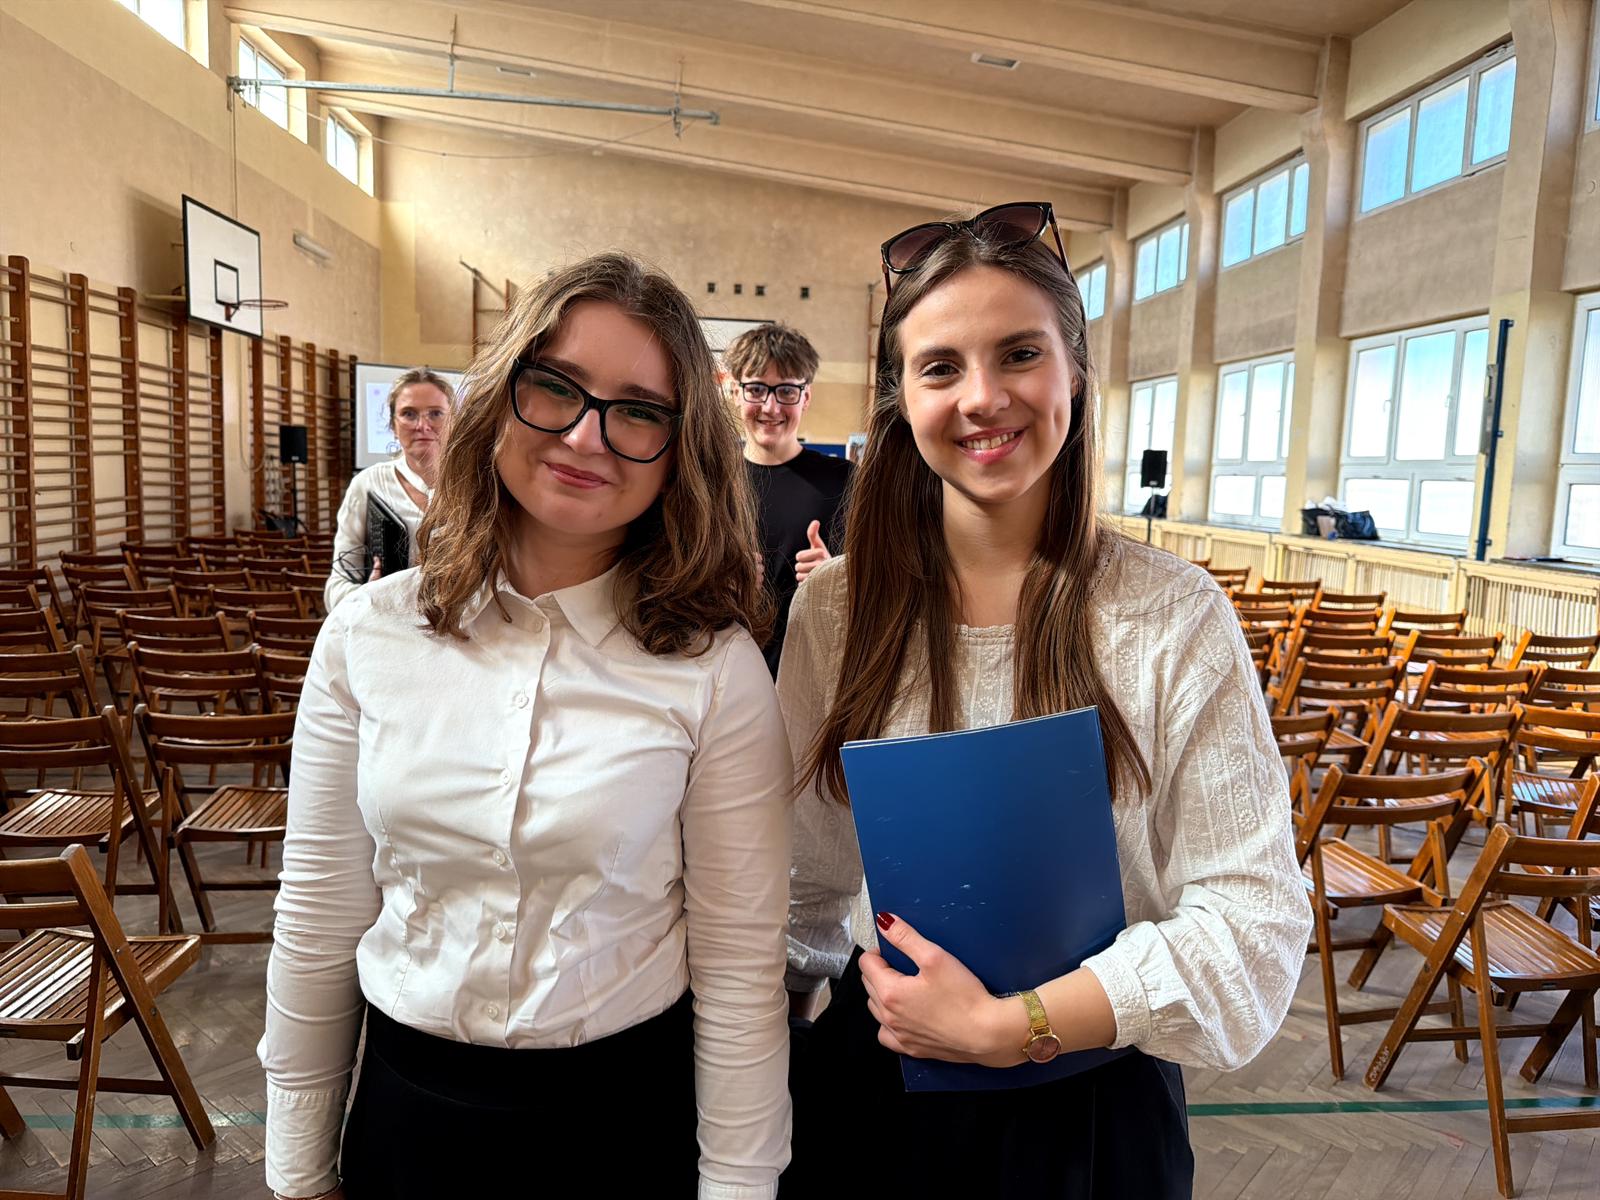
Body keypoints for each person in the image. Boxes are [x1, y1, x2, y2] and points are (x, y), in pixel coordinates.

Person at [779, 203, 1310, 1197]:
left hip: (1093, 1106)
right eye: (941, 367)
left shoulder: (1171, 615)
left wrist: (1011, 1025)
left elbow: (1254, 923)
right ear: (901, 396)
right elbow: (803, 881)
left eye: (1019, 353)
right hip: (875, 1087)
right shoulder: (835, 612)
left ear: (1074, 372)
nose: (983, 398)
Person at [260, 253, 792, 1200]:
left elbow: (740, 971)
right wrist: (297, 1170)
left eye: (639, 411)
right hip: (408, 1116)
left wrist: (739, 1186)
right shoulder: (369, 635)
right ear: (501, 395)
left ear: (681, 451)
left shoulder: (715, 670)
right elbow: (317, 917)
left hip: (624, 1125)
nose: (587, 436)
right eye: (556, 387)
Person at [728, 323, 853, 676]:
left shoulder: (846, 482)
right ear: (735, 392)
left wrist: (837, 577)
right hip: (724, 678)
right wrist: (710, 580)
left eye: (786, 391)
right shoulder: (708, 483)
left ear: (806, 397)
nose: (770, 407)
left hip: (816, 677)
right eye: (756, 389)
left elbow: (884, 588)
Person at [322, 368, 454, 613]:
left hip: (459, 626)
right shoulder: (368, 484)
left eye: (435, 413)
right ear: (393, 425)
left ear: (453, 421)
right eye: (408, 414)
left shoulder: (475, 485)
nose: (422, 425)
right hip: (385, 624)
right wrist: (370, 596)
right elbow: (336, 587)